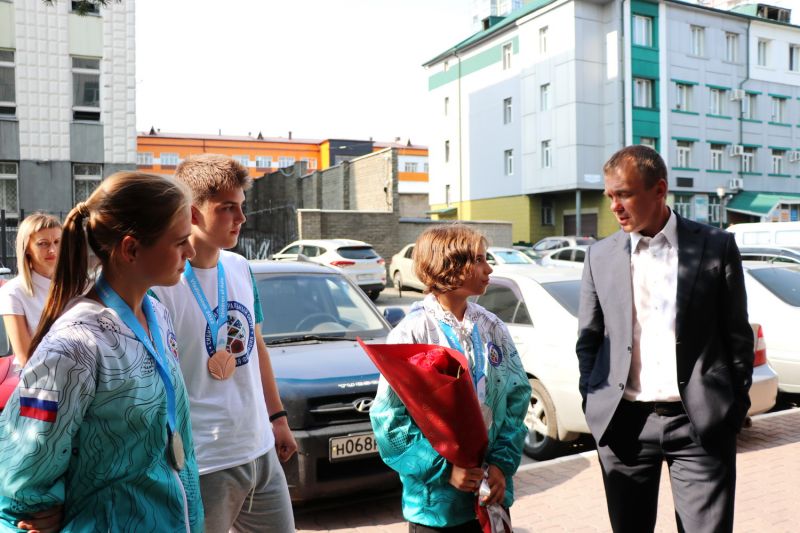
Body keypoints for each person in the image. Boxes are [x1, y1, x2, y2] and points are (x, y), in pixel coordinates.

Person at [0, 172, 203, 531]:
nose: (191, 252)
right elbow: (22, 470)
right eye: (180, 241)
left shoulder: (158, 315)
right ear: (131, 249)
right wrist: (39, 511)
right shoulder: (74, 346)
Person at [576, 145, 754, 533]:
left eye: (624, 194)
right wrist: (593, 402)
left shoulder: (715, 246)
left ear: (659, 190)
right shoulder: (599, 256)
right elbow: (588, 340)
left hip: (699, 425)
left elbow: (737, 337)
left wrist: (731, 408)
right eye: (609, 196)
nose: (614, 207)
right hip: (624, 427)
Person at [150, 154, 297, 533]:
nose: (241, 218)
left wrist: (278, 418)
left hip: (260, 449)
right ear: (192, 213)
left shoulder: (240, 266)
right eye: (227, 208)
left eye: (241, 206)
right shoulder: (161, 283)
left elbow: (256, 346)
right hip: (205, 460)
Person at [370, 224, 531, 532]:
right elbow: (389, 421)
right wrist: (445, 470)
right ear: (450, 265)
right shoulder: (412, 333)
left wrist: (501, 464)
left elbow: (517, 399)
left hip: (490, 495)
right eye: (479, 260)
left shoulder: (492, 327)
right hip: (435, 506)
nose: (489, 268)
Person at [0, 213, 61, 366]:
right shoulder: (12, 292)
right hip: (41, 378)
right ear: (27, 248)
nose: (52, 250)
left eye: (57, 242)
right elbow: (26, 358)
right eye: (43, 244)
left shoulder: (78, 286)